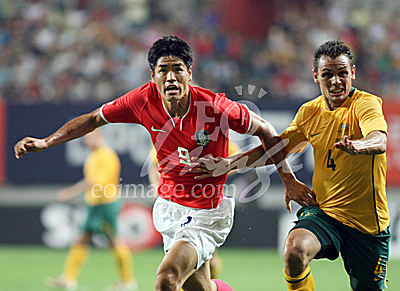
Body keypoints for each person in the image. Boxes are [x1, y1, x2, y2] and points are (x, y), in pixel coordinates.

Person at [14, 36, 313, 291]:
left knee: (166, 279)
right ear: (153, 76)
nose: (171, 77)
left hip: (206, 213)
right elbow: (93, 119)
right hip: (169, 210)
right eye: (163, 70)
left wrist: (283, 179)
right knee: (199, 286)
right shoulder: (141, 100)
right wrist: (46, 141)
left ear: (189, 73)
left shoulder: (215, 106)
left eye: (177, 69)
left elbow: (268, 131)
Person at [192, 40, 391, 291]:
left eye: (342, 73)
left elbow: (379, 139)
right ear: (315, 76)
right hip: (326, 213)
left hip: (367, 225)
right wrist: (227, 164)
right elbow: (276, 150)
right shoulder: (310, 112)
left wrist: (359, 145)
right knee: (294, 251)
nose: (336, 81)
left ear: (352, 72)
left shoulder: (365, 103)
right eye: (327, 74)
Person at [44, 129, 137, 291]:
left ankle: (128, 281)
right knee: (82, 239)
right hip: (95, 204)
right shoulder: (94, 156)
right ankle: (68, 279)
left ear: (100, 138)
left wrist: (70, 192)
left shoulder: (106, 156)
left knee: (114, 241)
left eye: (90, 138)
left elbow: (94, 182)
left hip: (105, 204)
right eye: (85, 139)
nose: (87, 142)